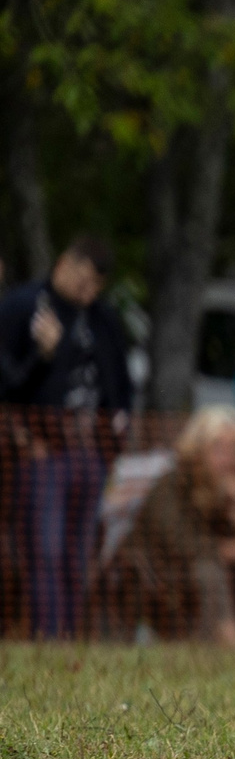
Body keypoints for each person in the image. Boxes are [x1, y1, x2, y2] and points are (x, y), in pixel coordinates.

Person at [1, 236, 134, 638]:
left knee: (78, 554)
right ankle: (48, 637)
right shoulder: (22, 308)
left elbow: (120, 381)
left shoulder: (101, 318)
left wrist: (118, 430)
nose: (88, 293)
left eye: (96, 287)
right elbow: (9, 387)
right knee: (46, 550)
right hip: (43, 451)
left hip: (92, 452)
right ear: (65, 264)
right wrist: (44, 356)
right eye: (84, 282)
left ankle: (72, 636)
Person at [96, 406, 235, 645]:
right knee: (209, 570)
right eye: (218, 448)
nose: (227, 458)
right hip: (153, 576)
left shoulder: (232, 487)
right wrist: (232, 549)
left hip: (193, 574)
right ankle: (228, 644)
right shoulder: (171, 485)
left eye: (233, 449)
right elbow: (179, 543)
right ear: (197, 450)